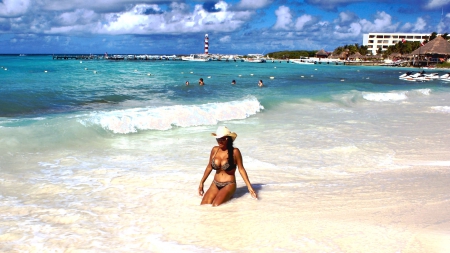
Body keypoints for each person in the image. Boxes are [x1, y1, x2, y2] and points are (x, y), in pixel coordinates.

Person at [198, 126, 257, 206]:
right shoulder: (214, 150)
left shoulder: (235, 152)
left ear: (227, 139)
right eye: (217, 139)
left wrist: (249, 187)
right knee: (203, 206)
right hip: (215, 183)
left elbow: (241, 169)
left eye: (222, 139)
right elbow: (209, 167)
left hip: (229, 184)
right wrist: (202, 182)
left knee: (216, 206)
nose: (219, 141)